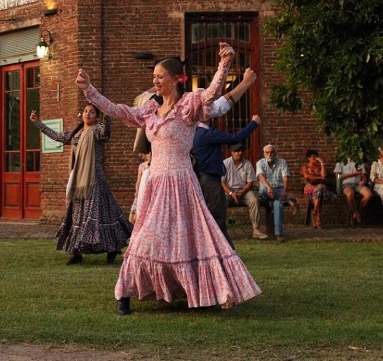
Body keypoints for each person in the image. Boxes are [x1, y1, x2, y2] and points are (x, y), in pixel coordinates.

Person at [76, 43, 261, 315]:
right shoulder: (150, 111)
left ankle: (202, 291)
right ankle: (124, 293)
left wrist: (224, 65)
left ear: (176, 79)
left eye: (160, 76)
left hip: (182, 181)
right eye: (154, 77)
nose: (155, 81)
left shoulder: (189, 107)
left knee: (190, 240)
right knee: (145, 238)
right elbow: (119, 110)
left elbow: (211, 95)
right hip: (155, 183)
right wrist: (89, 89)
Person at [31, 105, 132, 265]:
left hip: (94, 179)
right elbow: (57, 136)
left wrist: (107, 112)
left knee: (99, 214)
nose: (88, 114)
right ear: (82, 114)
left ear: (96, 116)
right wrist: (38, 123)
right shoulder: (76, 134)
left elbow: (106, 131)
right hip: (78, 180)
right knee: (77, 215)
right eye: (86, 111)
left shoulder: (97, 131)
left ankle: (112, 249)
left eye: (92, 112)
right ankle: (76, 252)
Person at [191, 115, 261, 247]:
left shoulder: (194, 133)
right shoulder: (206, 134)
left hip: (203, 182)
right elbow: (235, 138)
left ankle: (223, 253)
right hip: (211, 184)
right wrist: (254, 123)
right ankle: (227, 254)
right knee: (217, 219)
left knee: (211, 220)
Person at [222, 143, 267, 240]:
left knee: (254, 201)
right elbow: (222, 182)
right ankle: (222, 230)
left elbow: (250, 182)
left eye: (242, 151)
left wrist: (242, 192)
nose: (240, 153)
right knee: (222, 201)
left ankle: (256, 230)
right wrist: (231, 193)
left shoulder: (247, 163)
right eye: (237, 151)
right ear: (232, 152)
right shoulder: (225, 163)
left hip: (244, 190)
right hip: (229, 190)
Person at [256, 144, 295, 242]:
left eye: (272, 152)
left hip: (278, 190)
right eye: (267, 152)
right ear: (264, 154)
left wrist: (285, 191)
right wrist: (269, 187)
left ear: (275, 153)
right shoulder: (260, 163)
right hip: (265, 190)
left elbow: (285, 177)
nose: (270, 154)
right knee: (263, 189)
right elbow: (260, 176)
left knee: (278, 204)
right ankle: (289, 201)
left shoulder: (282, 162)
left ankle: (278, 234)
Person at [301, 149, 337, 229]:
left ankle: (316, 211)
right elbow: (307, 176)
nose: (315, 158)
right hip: (310, 188)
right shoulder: (305, 167)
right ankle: (318, 219)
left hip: (320, 190)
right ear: (308, 158)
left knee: (320, 190)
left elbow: (324, 175)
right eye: (313, 156)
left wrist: (322, 163)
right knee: (320, 190)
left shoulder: (319, 167)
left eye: (316, 156)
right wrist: (319, 177)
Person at [334, 157, 372, 225]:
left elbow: (363, 175)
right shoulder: (341, 162)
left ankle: (356, 211)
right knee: (349, 195)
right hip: (346, 184)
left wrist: (363, 180)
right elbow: (338, 176)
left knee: (368, 194)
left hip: (358, 184)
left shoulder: (358, 161)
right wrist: (352, 174)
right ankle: (357, 213)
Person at [129, 152, 151, 224]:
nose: (150, 155)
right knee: (134, 210)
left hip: (150, 190)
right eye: (148, 153)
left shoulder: (156, 165)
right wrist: (137, 191)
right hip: (142, 189)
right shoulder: (142, 166)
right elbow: (138, 180)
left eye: (151, 153)